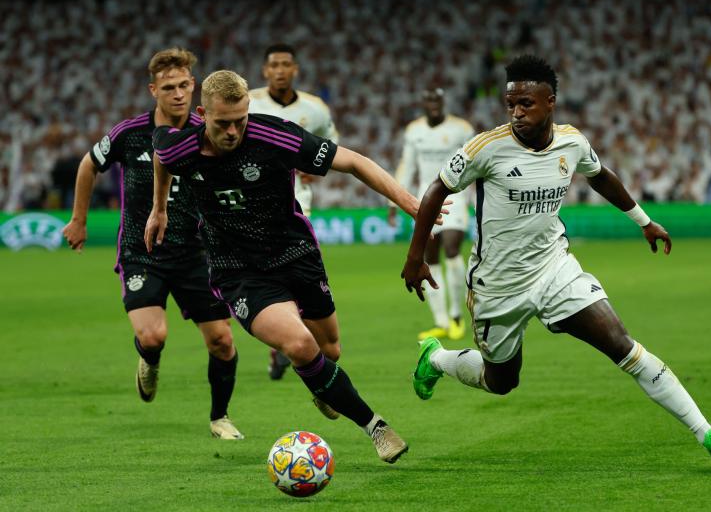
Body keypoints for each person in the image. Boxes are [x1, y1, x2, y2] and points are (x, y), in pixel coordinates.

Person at [402, 55, 711, 463]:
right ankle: (439, 359)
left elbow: (599, 174)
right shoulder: (485, 148)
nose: (516, 112)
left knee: (622, 344)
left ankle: (706, 432)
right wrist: (416, 256)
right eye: (510, 103)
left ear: (551, 101)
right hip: (498, 285)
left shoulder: (572, 141)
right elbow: (436, 191)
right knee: (501, 381)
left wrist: (643, 220)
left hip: (554, 268)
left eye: (526, 104)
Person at [145, 70, 437, 463]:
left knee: (329, 349)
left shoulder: (273, 135)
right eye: (222, 123)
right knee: (300, 345)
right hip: (238, 271)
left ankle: (322, 385)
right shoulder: (181, 147)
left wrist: (410, 203)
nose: (233, 131)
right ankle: (377, 428)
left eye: (240, 120)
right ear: (202, 113)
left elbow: (351, 161)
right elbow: (162, 157)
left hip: (295, 255)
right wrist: (158, 208)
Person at [62, 48, 243, 440]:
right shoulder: (130, 133)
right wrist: (79, 219)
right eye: (168, 88)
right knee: (152, 335)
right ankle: (149, 359)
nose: (178, 94)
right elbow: (88, 165)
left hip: (197, 254)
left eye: (183, 85)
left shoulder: (209, 129)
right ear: (153, 90)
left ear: (193, 85)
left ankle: (220, 417)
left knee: (222, 341)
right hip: (141, 252)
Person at [248, 43, 339, 380]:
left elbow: (332, 144)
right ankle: (285, 340)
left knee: (298, 272)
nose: (281, 70)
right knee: (270, 277)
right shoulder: (250, 103)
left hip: (298, 202)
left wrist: (312, 167)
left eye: (286, 64)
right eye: (274, 64)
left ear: (295, 69)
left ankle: (286, 345)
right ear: (265, 70)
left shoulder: (314, 109)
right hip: (254, 204)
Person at [389, 88, 474, 341]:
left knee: (452, 249)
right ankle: (442, 321)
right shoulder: (414, 131)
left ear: (443, 102)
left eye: (438, 99)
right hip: (425, 197)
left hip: (456, 196)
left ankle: (457, 315)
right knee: (430, 258)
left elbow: (476, 163)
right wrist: (393, 202)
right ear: (423, 103)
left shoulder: (462, 129)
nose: (434, 104)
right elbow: (407, 165)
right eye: (429, 100)